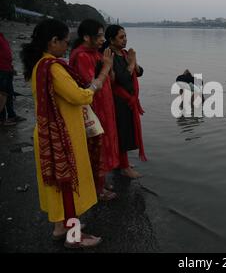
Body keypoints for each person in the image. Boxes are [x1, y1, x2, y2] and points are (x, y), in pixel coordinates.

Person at [21, 19, 112, 248]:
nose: (67, 46)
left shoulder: (39, 65)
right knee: (68, 183)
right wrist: (101, 78)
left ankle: (60, 227)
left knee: (57, 185)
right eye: (64, 42)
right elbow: (80, 96)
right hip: (62, 135)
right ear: (53, 42)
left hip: (47, 132)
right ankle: (73, 236)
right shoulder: (52, 67)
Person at [70, 19, 120, 201]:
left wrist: (109, 66)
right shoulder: (81, 56)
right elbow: (90, 85)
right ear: (86, 37)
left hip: (105, 106)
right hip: (93, 108)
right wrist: (106, 67)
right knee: (97, 147)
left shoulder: (96, 54)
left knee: (105, 144)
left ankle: (101, 181)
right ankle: (97, 189)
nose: (102, 39)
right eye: (98, 35)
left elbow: (109, 79)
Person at [102, 25, 147, 178]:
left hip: (128, 100)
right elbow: (121, 78)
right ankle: (124, 168)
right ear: (111, 40)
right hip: (118, 100)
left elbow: (139, 72)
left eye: (125, 36)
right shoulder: (109, 56)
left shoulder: (124, 53)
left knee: (127, 132)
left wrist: (134, 61)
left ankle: (121, 162)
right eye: (121, 37)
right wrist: (131, 63)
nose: (125, 39)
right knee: (122, 134)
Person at [0, 32, 26, 126]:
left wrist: (11, 67)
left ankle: (12, 115)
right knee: (2, 95)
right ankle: (2, 119)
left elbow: (5, 55)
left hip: (7, 70)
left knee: (9, 95)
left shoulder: (2, 36)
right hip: (1, 70)